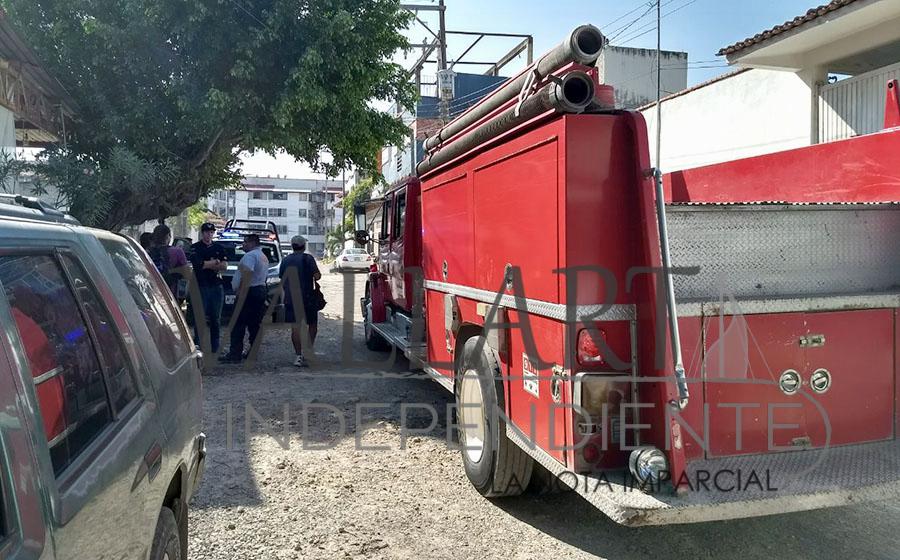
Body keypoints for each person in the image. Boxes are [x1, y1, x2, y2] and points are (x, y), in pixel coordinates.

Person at [221, 233, 269, 363]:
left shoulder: (250, 256)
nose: (243, 244)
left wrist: (241, 293)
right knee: (254, 324)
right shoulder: (262, 256)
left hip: (249, 292)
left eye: (245, 242)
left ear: (253, 243)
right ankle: (252, 353)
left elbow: (247, 274)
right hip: (259, 290)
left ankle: (234, 355)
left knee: (237, 324)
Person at [279, 235, 321, 367]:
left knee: (295, 327)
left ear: (292, 246)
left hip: (291, 298)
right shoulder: (308, 258)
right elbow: (317, 276)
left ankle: (298, 356)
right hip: (307, 297)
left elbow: (282, 277)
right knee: (312, 325)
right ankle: (308, 351)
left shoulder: (285, 260)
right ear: (304, 246)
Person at [189, 222, 228, 354]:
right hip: (201, 285)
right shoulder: (195, 247)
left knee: (215, 318)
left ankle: (215, 346)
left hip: (216, 285)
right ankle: (198, 344)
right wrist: (215, 262)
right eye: (206, 232)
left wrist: (210, 264)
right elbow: (199, 265)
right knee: (200, 317)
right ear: (202, 233)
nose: (209, 234)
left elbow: (224, 266)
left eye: (211, 232)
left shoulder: (218, 247)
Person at [149, 224, 189, 298]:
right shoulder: (177, 251)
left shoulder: (147, 251)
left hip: (152, 291)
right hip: (170, 291)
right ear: (168, 236)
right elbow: (186, 273)